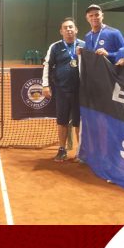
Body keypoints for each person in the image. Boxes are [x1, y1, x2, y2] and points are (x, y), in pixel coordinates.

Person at [42, 17, 83, 162]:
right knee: (62, 121)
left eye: (71, 27)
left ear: (76, 30)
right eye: (65, 28)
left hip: (80, 91)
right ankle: (62, 149)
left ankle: (81, 151)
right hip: (62, 90)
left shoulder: (84, 45)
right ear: (61, 31)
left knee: (79, 122)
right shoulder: (55, 47)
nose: (68, 30)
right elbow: (47, 65)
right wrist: (45, 85)